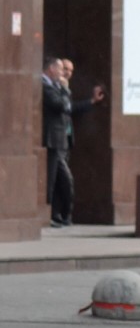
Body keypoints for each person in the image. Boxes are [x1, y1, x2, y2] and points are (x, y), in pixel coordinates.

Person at [41, 57, 74, 228]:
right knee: (52, 178)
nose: (63, 74)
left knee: (63, 179)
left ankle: (60, 214)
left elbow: (68, 107)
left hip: (60, 140)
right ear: (51, 69)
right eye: (60, 69)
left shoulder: (54, 86)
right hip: (51, 138)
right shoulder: (46, 86)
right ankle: (50, 214)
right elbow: (60, 105)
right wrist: (65, 90)